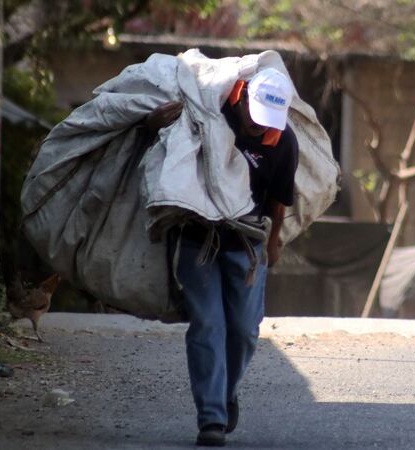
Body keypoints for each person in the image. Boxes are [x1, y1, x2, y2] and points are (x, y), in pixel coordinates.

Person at [147, 67, 299, 447]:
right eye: (254, 114)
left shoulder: (282, 141)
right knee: (208, 326)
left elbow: (279, 200)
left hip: (246, 246)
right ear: (243, 97)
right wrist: (151, 123)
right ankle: (211, 418)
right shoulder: (209, 113)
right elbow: (166, 146)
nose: (257, 126)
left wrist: (274, 243)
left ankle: (226, 392)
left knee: (245, 331)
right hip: (199, 240)